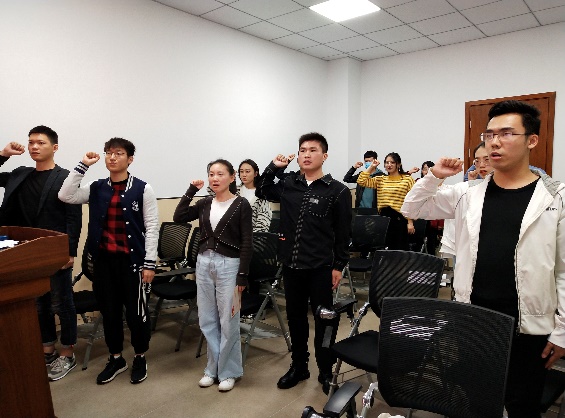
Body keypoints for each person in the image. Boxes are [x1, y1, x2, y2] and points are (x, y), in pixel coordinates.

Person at [401, 100, 565, 417]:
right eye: (489, 135)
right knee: (475, 399)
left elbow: (563, 270)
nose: (494, 142)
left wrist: (562, 331)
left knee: (522, 405)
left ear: (532, 140)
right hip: (475, 320)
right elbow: (413, 208)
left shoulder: (556, 197)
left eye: (506, 133)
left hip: (529, 326)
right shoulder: (468, 193)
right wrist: (435, 176)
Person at [256, 132, 351, 392]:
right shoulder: (289, 183)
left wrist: (338, 266)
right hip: (291, 265)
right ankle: (299, 366)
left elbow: (343, 234)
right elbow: (262, 189)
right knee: (296, 319)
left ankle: (325, 370)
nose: (306, 155)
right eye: (302, 150)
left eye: (312, 150)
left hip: (320, 267)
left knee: (324, 320)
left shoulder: (338, 191)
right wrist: (274, 167)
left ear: (324, 156)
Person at [58, 138, 158, 385]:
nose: (112, 157)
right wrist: (83, 165)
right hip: (103, 263)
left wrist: (149, 263)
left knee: (136, 314)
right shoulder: (96, 187)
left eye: (119, 153)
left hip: (132, 263)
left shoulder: (142, 188)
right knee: (110, 312)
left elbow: (152, 227)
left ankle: (139, 356)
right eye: (108, 153)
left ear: (130, 159)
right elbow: (65, 195)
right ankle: (116, 358)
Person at [0, 125, 81, 381]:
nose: (34, 147)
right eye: (31, 142)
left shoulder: (65, 177)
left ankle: (67, 352)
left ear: (54, 147)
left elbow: (73, 217)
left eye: (41, 142)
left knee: (62, 302)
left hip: (54, 250)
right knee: (39, 303)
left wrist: (70, 252)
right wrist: (3, 155)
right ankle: (47, 348)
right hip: (26, 250)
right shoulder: (20, 174)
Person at [173, 159, 252, 392]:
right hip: (204, 263)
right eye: (211, 174)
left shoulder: (241, 204)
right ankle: (212, 368)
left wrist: (243, 275)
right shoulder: (205, 202)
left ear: (232, 177)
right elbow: (179, 217)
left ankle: (229, 371)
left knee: (228, 320)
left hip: (230, 265)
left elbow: (247, 242)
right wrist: (191, 191)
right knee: (207, 318)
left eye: (220, 174)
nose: (215, 178)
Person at [357, 152, 415, 250]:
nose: (389, 165)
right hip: (383, 218)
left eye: (392, 162)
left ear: (398, 164)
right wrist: (372, 167)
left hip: (400, 218)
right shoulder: (381, 179)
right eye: (387, 162)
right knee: (384, 249)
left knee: (399, 250)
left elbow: (412, 201)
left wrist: (410, 222)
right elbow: (361, 181)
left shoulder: (407, 179)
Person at [238, 159, 272, 232]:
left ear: (255, 174)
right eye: (241, 171)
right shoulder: (235, 191)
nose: (244, 175)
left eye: (247, 171)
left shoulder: (261, 195)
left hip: (252, 236)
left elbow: (263, 224)